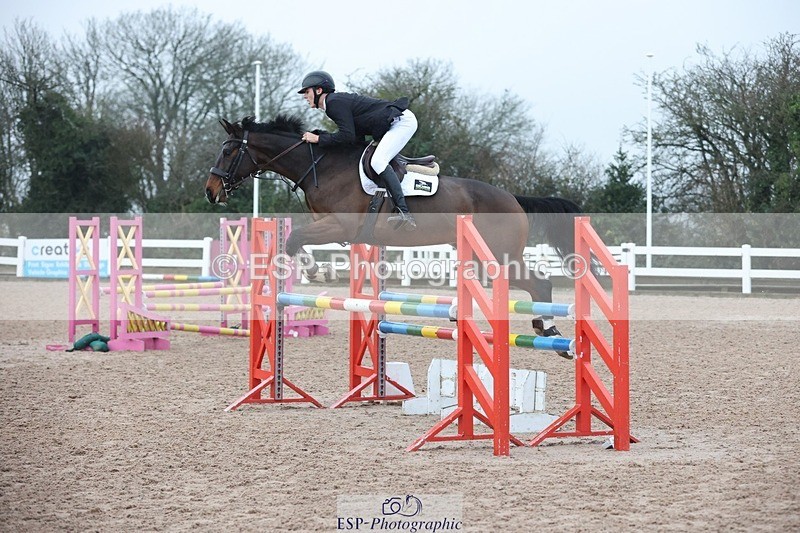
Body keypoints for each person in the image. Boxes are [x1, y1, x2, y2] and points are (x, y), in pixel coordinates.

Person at [298, 70, 417, 230]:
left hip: (401, 122)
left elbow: (347, 136)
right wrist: (323, 137)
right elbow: (354, 138)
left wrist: (319, 139)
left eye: (307, 91)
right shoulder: (333, 104)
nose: (305, 96)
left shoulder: (333, 103)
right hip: (393, 123)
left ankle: (404, 212)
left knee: (378, 161)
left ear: (318, 90)